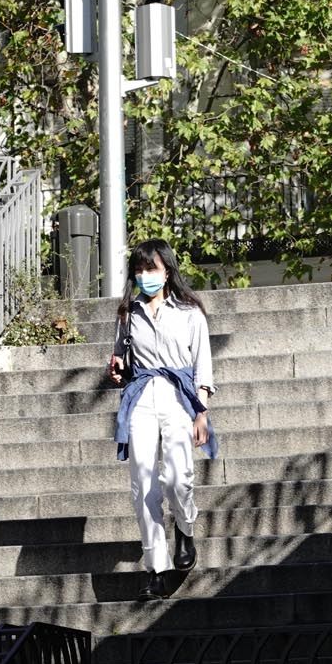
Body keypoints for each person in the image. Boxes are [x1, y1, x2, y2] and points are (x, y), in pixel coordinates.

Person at [109, 239, 217, 601]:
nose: (145, 276)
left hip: (178, 397)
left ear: (167, 270)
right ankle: (157, 567)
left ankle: (185, 527)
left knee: (177, 477)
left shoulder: (190, 311)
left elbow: (203, 366)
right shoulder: (127, 312)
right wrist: (117, 367)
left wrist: (201, 410)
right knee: (142, 482)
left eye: (151, 269)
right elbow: (120, 357)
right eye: (139, 270)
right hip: (140, 396)